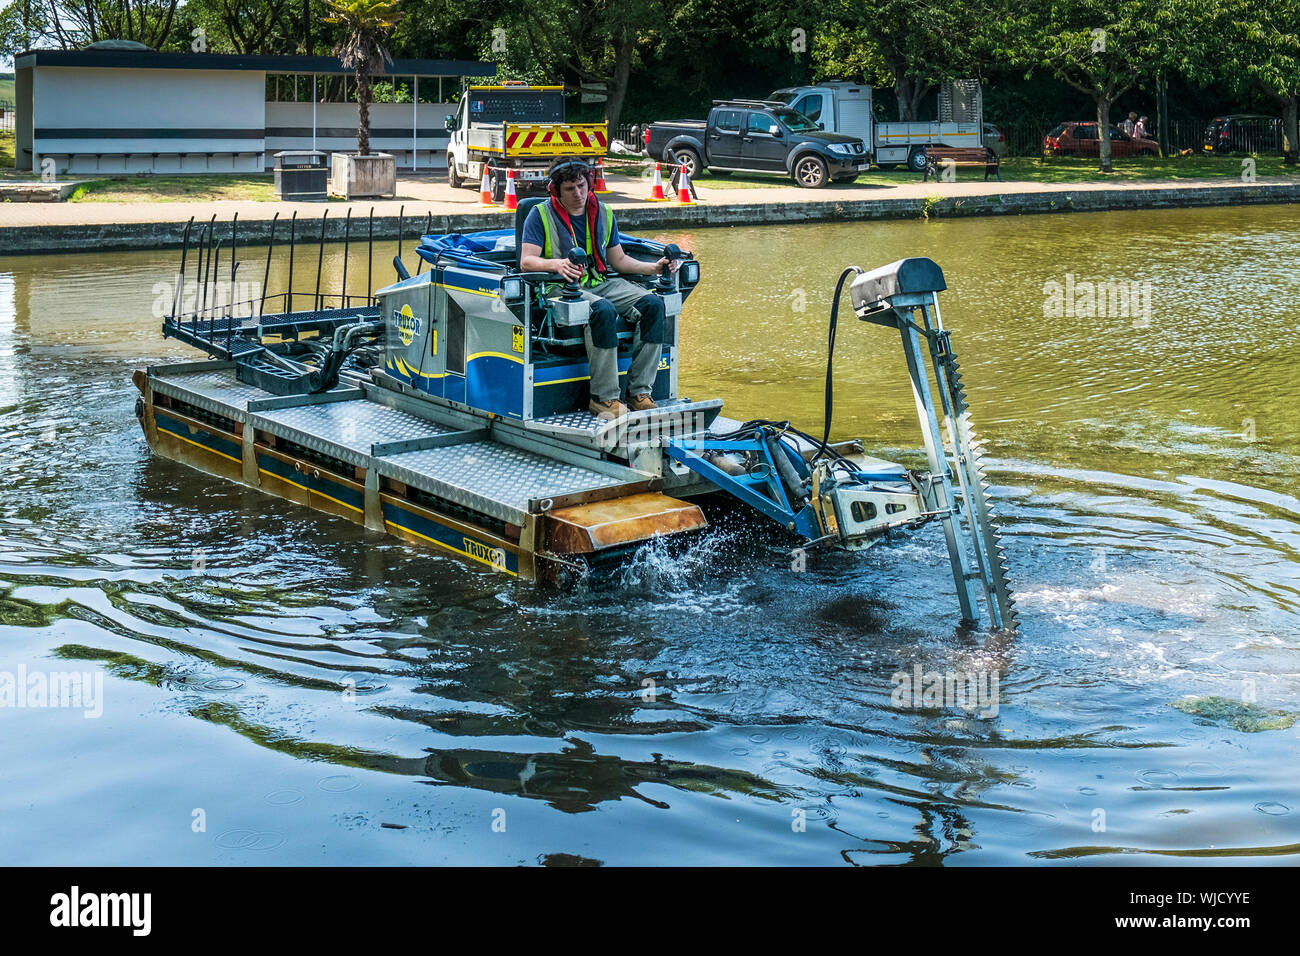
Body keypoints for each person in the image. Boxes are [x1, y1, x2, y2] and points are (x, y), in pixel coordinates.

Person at [520, 160, 682, 420]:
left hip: (598, 281)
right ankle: (604, 399)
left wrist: (655, 268)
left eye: (582, 186)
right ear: (556, 191)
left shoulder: (604, 213)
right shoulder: (538, 214)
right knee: (601, 310)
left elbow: (618, 260)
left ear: (590, 183)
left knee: (653, 304)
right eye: (570, 189)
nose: (579, 194)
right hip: (557, 286)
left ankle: (639, 392)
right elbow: (527, 261)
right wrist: (557, 264)